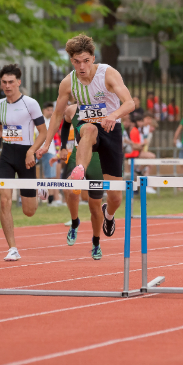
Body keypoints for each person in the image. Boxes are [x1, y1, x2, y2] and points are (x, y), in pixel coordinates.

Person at [39, 34, 136, 261]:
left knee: (115, 196)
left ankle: (109, 215)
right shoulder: (68, 82)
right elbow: (57, 115)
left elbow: (130, 103)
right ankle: (79, 171)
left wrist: (113, 115)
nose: (81, 67)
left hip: (112, 128)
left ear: (93, 58)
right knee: (88, 130)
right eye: (76, 62)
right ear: (71, 61)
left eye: (85, 60)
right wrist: (46, 144)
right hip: (89, 127)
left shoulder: (108, 74)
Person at [0, 64, 47, 262]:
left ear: (19, 82)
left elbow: (43, 132)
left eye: (11, 82)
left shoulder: (30, 104)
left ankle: (39, 189)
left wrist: (32, 151)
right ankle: (12, 248)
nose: (7, 86)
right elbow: (0, 130)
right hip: (7, 156)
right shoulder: (0, 105)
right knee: (5, 200)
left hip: (26, 156)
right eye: (4, 82)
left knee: (29, 211)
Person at [58, 102, 107, 258]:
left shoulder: (107, 107)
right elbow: (65, 125)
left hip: (97, 159)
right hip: (77, 155)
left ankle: (96, 242)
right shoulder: (72, 109)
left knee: (95, 207)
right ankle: (74, 222)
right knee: (70, 188)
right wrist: (63, 147)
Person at [40, 101, 63, 206]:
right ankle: (47, 198)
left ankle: (51, 199)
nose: (50, 112)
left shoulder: (53, 121)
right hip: (40, 149)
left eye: (51, 110)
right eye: (48, 110)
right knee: (48, 176)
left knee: (52, 175)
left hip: (51, 150)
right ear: (44, 110)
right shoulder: (40, 121)